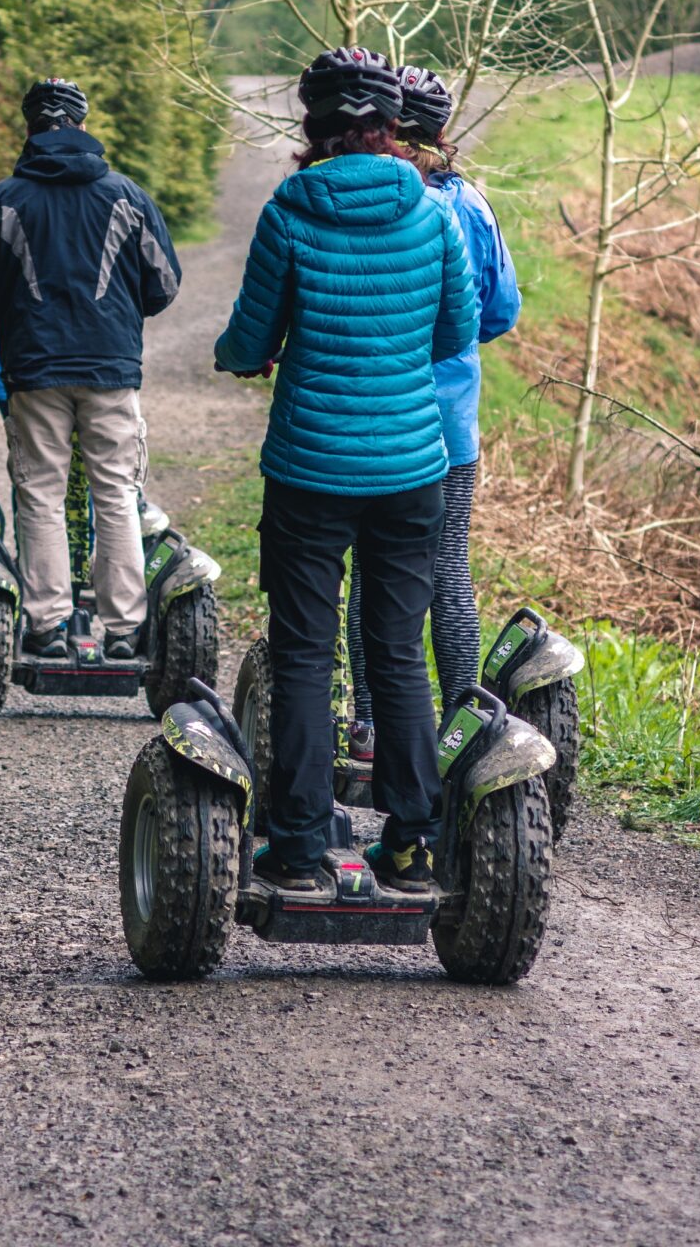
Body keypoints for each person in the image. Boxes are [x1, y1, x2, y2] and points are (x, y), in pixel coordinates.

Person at [213, 47, 477, 901]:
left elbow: (250, 340)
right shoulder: (434, 215)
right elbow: (454, 333)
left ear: (315, 127)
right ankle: (410, 843)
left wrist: (251, 357)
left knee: (302, 652)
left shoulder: (289, 209)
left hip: (310, 470)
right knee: (396, 653)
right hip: (411, 471)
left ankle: (295, 850)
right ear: (393, 128)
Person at [0, 77, 182, 662]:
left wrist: (16, 306)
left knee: (40, 495)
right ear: (83, 124)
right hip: (111, 367)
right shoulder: (127, 195)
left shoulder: (6, 199)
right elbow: (165, 285)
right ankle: (126, 630)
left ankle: (48, 626)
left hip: (35, 368)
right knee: (117, 493)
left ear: (29, 127)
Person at [397, 65, 521, 712]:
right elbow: (501, 310)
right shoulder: (471, 204)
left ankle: (366, 724)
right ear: (444, 130)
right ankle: (459, 720)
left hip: (385, 419)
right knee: (449, 569)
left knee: (375, 574)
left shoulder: (390, 202)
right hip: (451, 423)